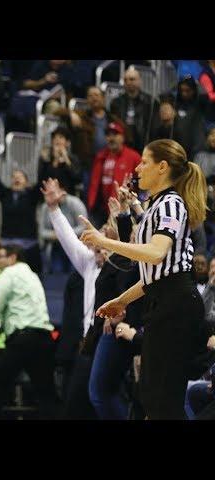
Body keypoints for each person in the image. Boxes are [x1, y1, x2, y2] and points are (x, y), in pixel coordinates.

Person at [81, 139, 209, 419]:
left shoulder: (172, 204)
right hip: (163, 301)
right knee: (151, 396)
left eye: (144, 162)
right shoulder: (158, 204)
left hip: (176, 305)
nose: (137, 168)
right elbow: (156, 275)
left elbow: (154, 253)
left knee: (163, 399)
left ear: (162, 167)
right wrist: (121, 300)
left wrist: (105, 240)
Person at [0, 244, 58, 419]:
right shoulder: (33, 276)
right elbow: (12, 315)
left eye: (1, 256)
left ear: (12, 258)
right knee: (46, 394)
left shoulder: (10, 273)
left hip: (24, 340)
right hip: (44, 339)